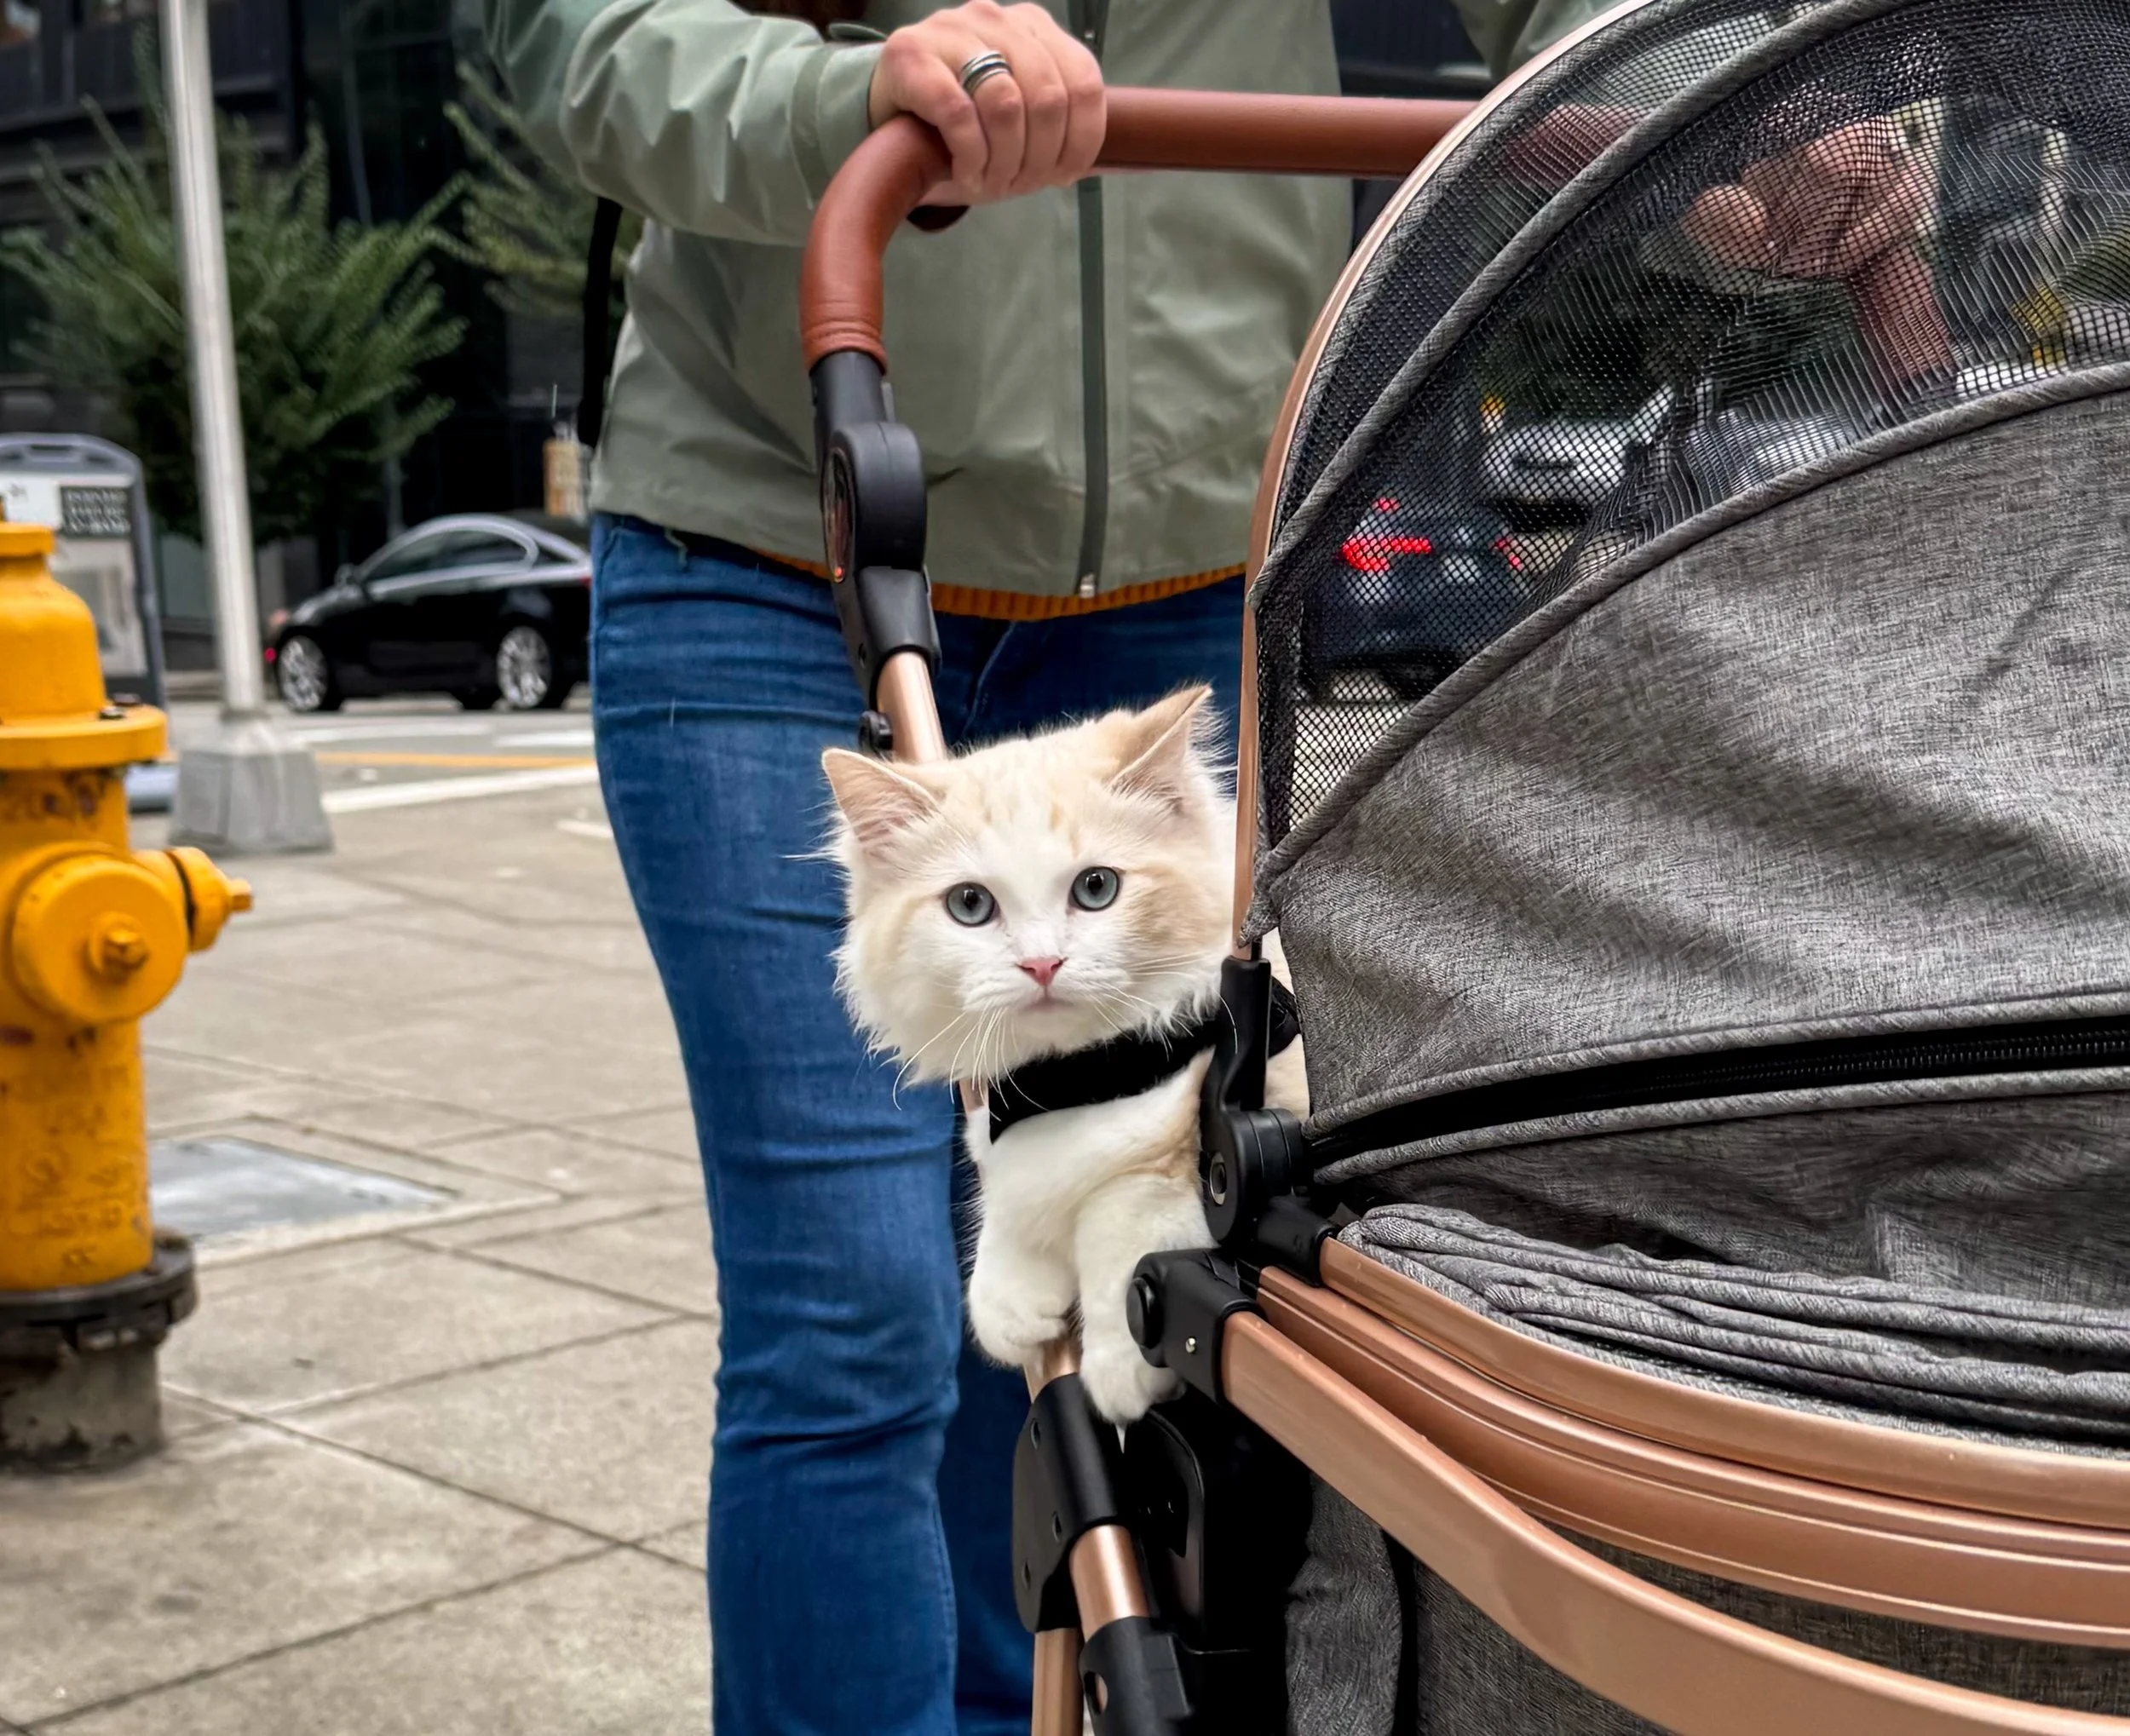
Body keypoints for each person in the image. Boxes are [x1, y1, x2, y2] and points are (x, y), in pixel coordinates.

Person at [480, 1, 1938, 1730]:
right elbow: (582, 37)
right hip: (778, 536)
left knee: (1083, 1251)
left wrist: (1720, 112)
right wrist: (832, 97)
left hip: (1167, 585)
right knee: (854, 1304)